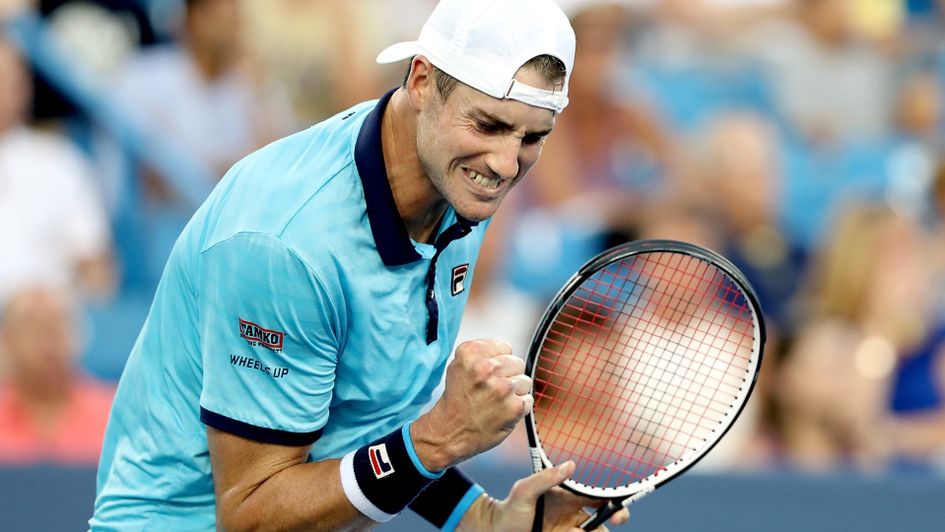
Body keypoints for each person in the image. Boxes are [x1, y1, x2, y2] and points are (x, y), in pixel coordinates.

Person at [91, 1, 630, 530]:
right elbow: (249, 515)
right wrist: (438, 439)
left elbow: (370, 418)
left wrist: (484, 519)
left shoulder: (459, 180)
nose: (506, 164)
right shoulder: (286, 246)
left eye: (532, 137)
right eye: (488, 125)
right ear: (421, 81)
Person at [0, 36, 116, 304]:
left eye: (15, 78)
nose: (9, 88)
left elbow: (97, 269)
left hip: (52, 314)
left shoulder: (62, 161)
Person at [0, 286, 115, 464]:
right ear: (7, 340)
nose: (47, 338)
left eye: (57, 325)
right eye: (32, 327)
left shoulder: (115, 413)